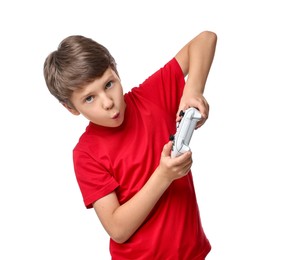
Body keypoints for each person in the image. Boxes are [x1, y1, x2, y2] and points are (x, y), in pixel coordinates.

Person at [43, 30, 217, 259]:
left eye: (108, 84)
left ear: (115, 70)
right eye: (89, 98)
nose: (108, 102)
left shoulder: (150, 97)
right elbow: (118, 229)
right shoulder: (86, 154)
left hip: (193, 254)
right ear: (71, 108)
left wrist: (192, 91)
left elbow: (205, 39)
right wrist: (164, 175)